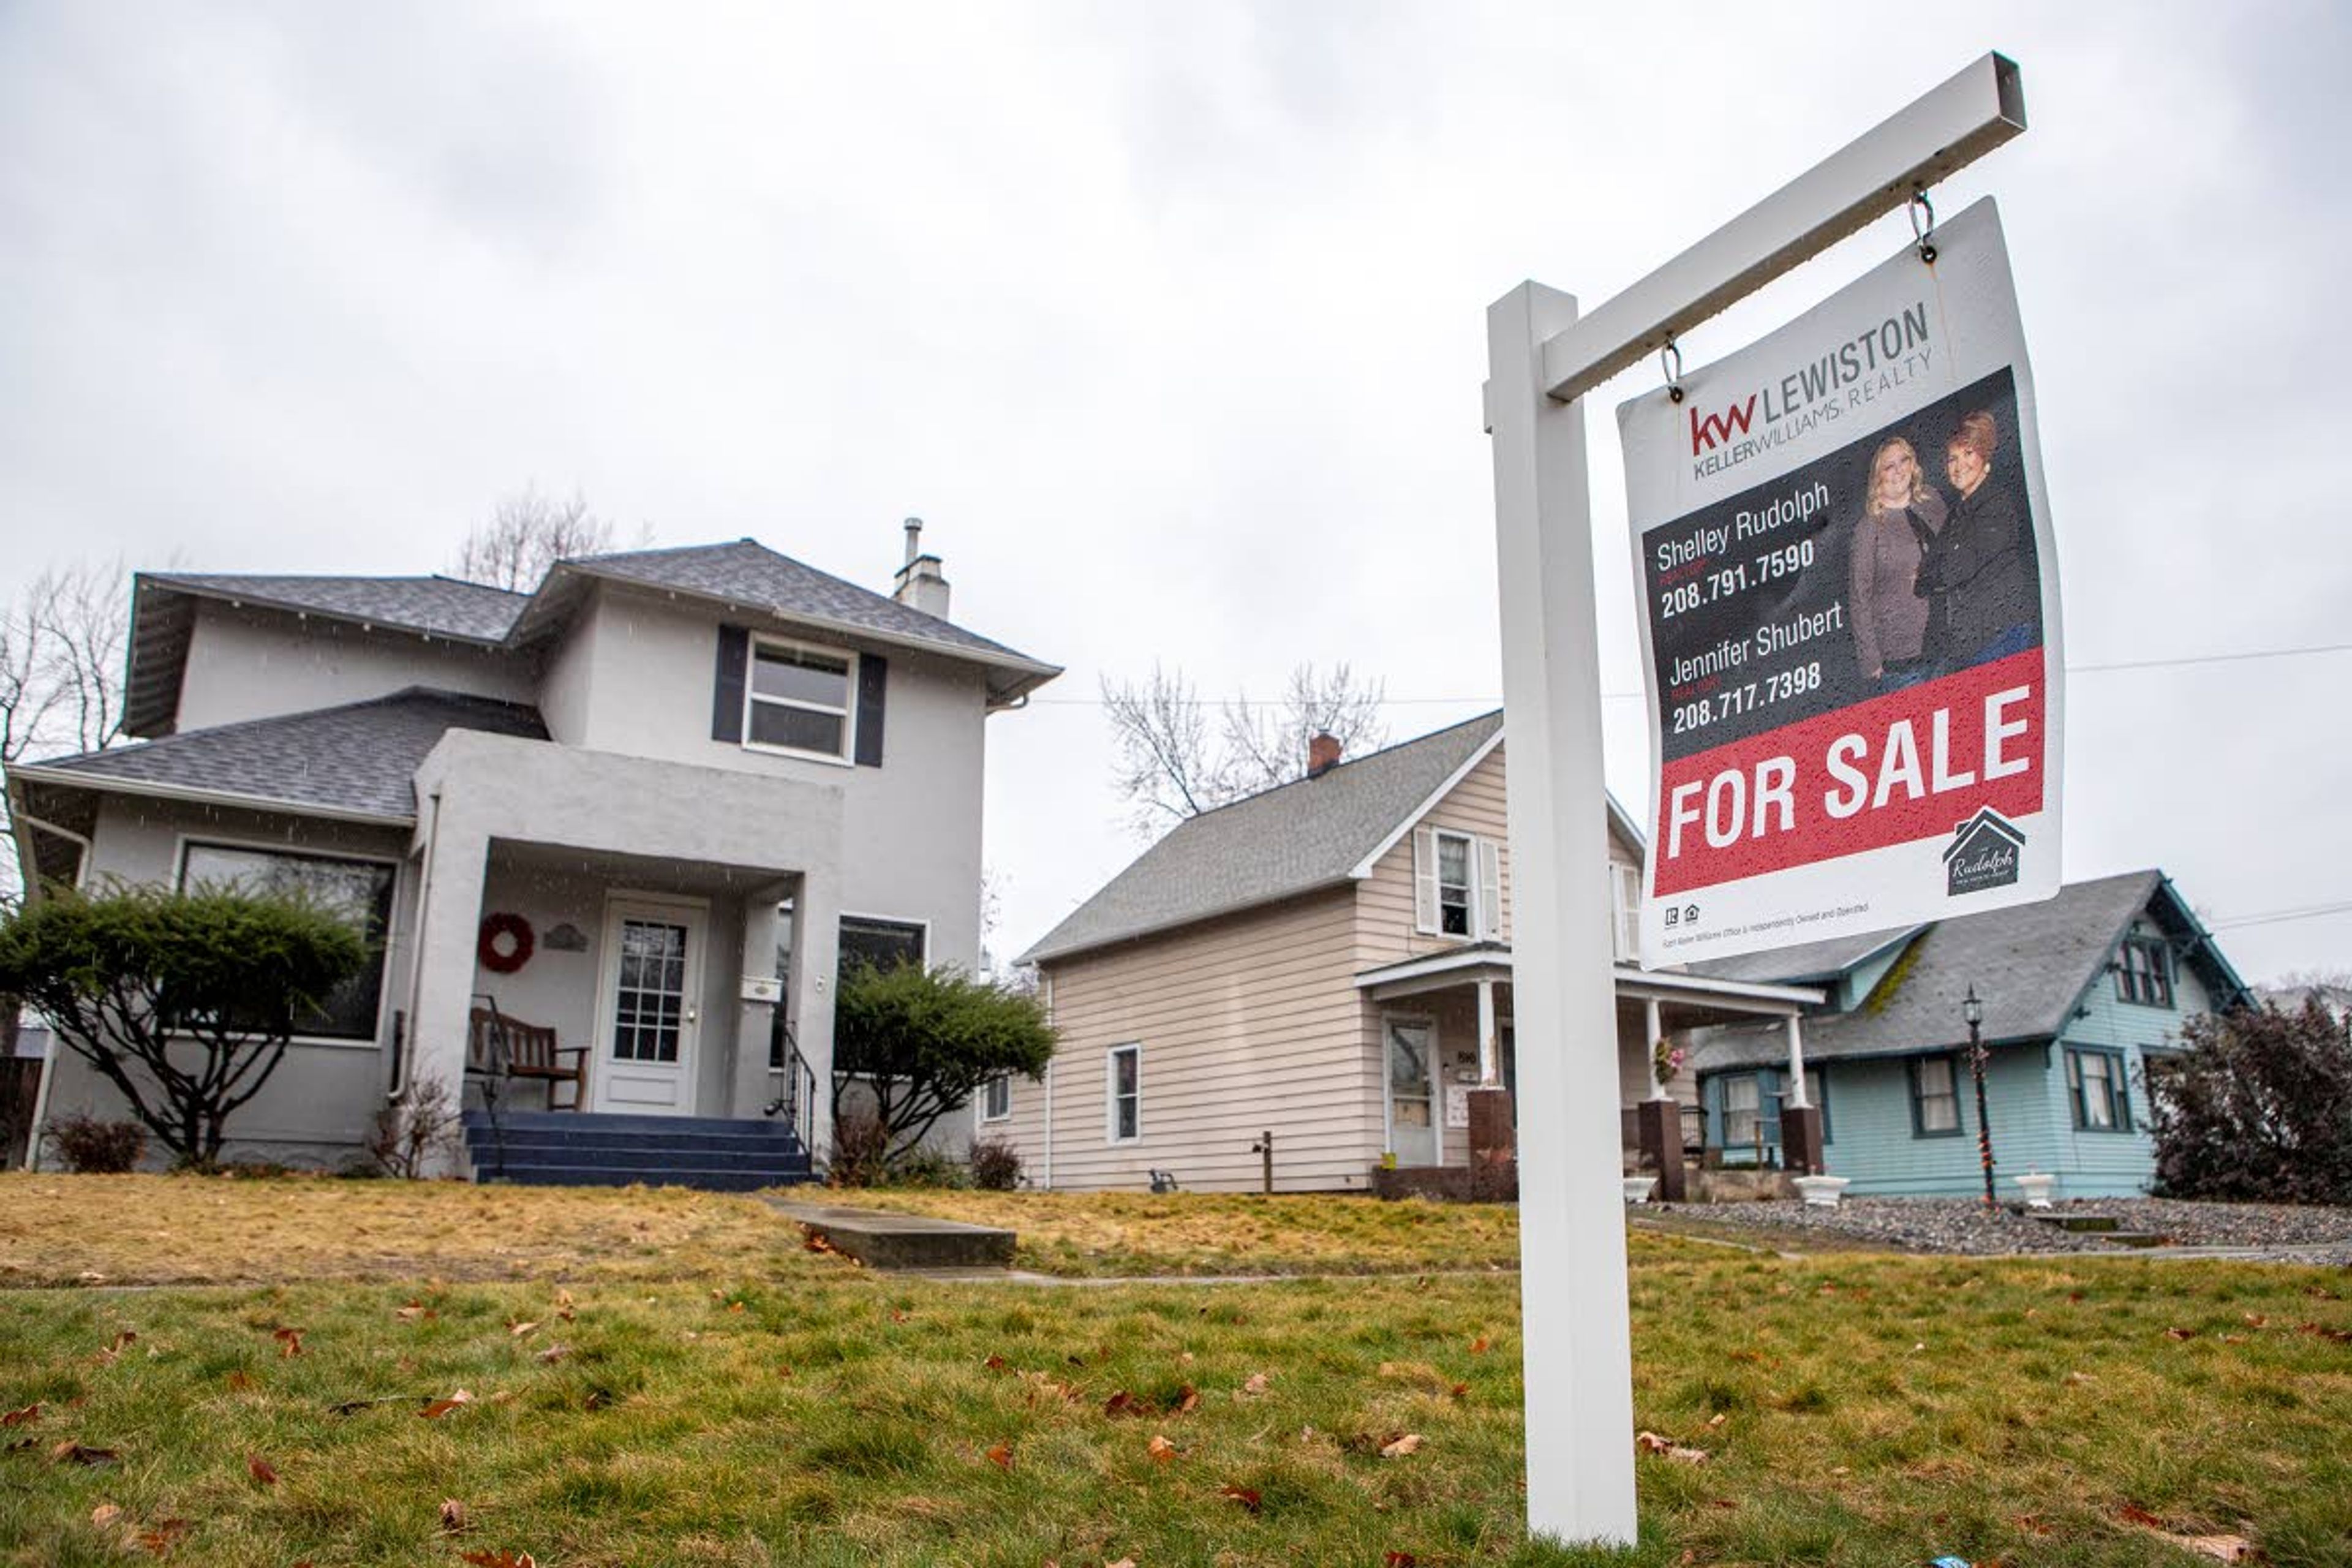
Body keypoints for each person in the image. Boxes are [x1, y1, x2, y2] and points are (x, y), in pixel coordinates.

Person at [1915, 410, 2035, 671]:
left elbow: (1955, 569)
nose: (1959, 467)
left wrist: (1934, 574)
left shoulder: (1997, 503)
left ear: (1984, 456)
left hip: (2002, 633)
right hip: (1970, 642)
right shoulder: (1957, 514)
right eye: (1952, 459)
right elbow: (1924, 578)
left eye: (1968, 454)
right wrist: (1932, 574)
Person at [1847, 435, 1946, 687]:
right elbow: (1860, 598)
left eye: (1904, 460)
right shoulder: (1869, 528)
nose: (1899, 470)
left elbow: (1954, 550)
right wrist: (1871, 660)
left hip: (1946, 637)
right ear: (1877, 476)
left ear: (1914, 465)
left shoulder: (1932, 501)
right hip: (1901, 656)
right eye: (1889, 466)